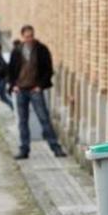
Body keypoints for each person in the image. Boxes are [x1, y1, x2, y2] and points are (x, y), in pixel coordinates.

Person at [8, 25, 67, 159]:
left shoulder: (41, 50)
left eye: (31, 36)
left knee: (44, 118)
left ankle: (55, 147)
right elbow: (10, 70)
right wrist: (14, 85)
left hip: (35, 88)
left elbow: (48, 69)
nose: (29, 39)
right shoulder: (16, 51)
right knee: (22, 121)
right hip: (21, 89)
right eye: (27, 36)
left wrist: (40, 85)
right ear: (22, 37)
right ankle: (24, 149)